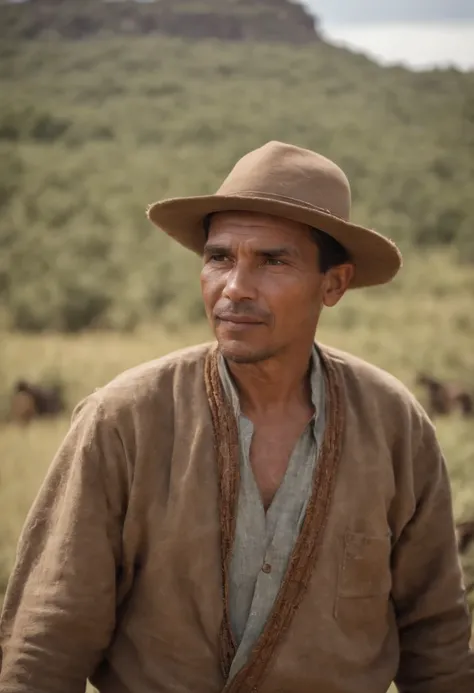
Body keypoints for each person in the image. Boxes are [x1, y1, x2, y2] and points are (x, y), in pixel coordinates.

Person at [0, 141, 473, 693]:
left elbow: (437, 645)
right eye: (219, 257)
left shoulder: (395, 427)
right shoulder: (125, 420)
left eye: (273, 261)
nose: (235, 288)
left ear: (334, 284)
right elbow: (46, 641)